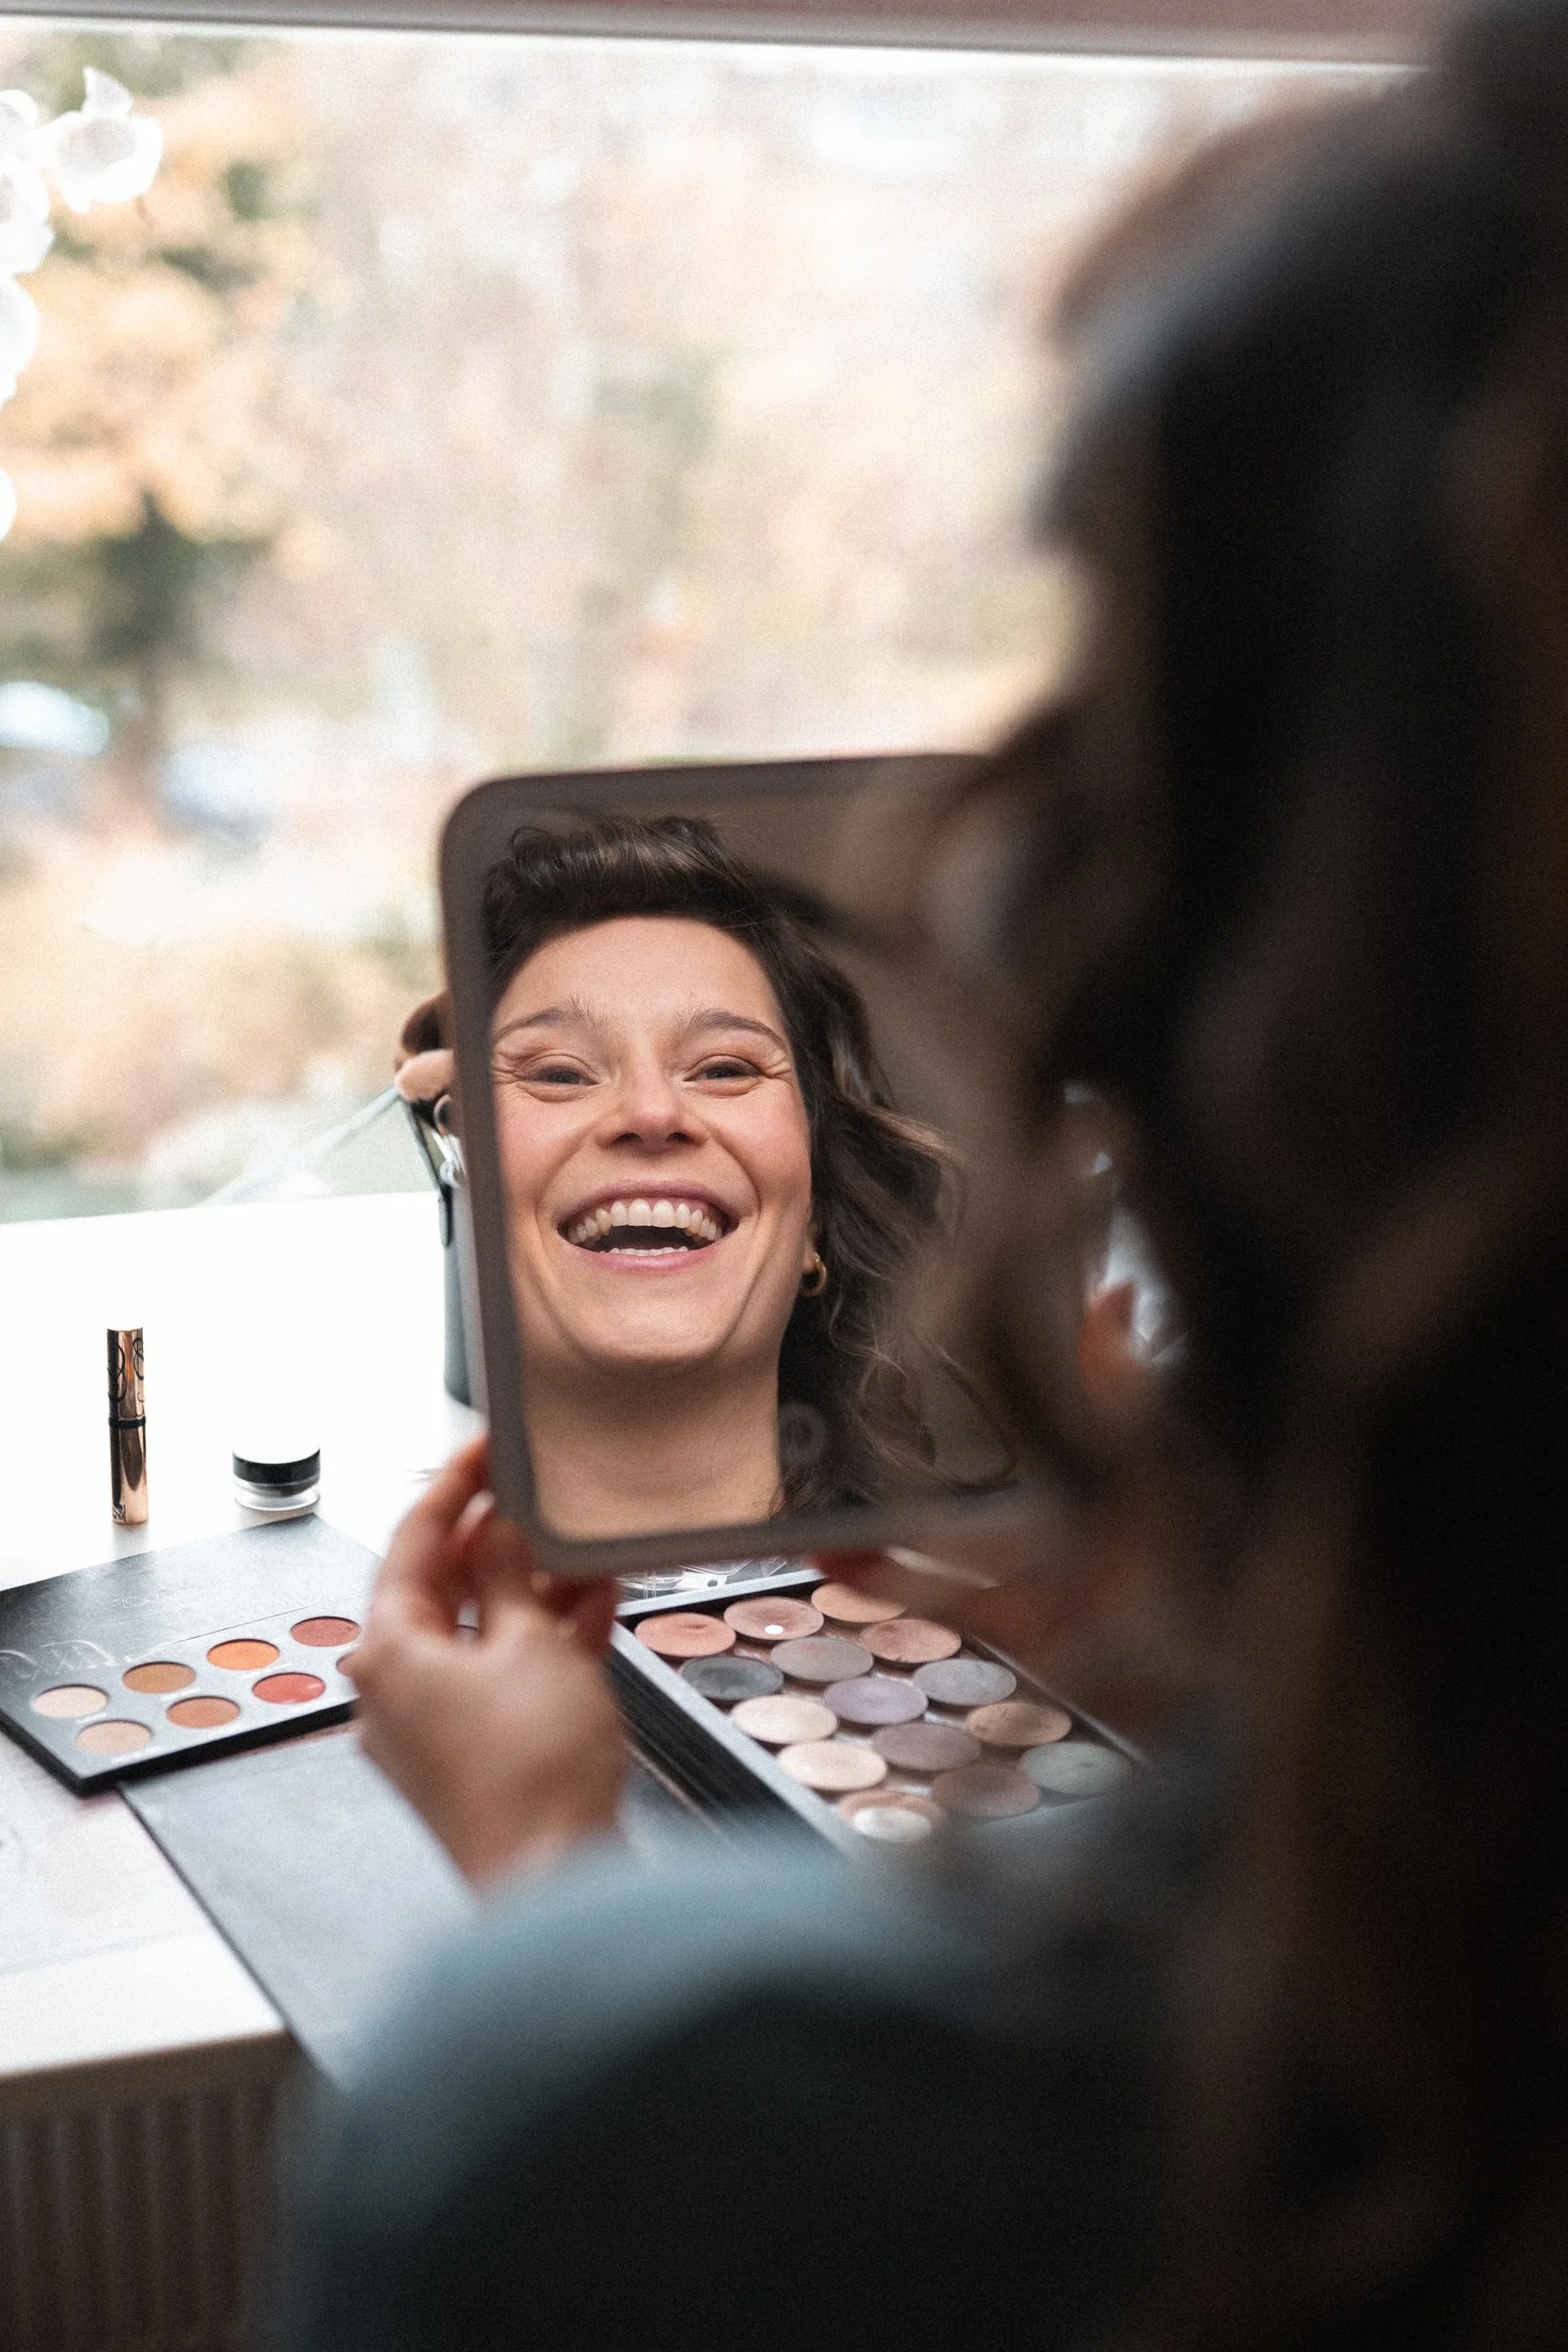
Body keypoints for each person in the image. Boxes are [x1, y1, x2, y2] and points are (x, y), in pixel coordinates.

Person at [278, 7, 1568, 2348]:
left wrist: (549, 1914)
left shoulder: (657, 2124)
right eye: (552, 1065)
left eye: (1126, 724)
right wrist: (1180, 1616)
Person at [475, 813, 960, 1534]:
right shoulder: (364, 1621)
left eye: (725, 1068)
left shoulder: (1023, 1604)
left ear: (815, 1219)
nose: (649, 1110)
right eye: (557, 1073)